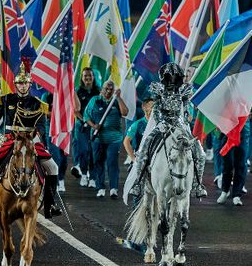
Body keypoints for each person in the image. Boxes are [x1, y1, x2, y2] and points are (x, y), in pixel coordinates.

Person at [0, 62, 62, 219]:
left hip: (30, 141)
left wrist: (34, 139)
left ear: (30, 84)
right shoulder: (6, 100)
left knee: (53, 167)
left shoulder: (38, 104)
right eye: (20, 83)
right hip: (9, 139)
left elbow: (41, 126)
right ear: (15, 85)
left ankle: (51, 205)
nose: (23, 86)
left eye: (25, 83)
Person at [129, 63, 207, 198]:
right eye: (168, 77)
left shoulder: (185, 89)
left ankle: (197, 184)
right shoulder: (158, 89)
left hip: (180, 125)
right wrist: (162, 122)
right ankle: (139, 182)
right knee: (144, 148)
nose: (171, 79)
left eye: (174, 76)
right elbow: (157, 108)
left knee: (199, 151)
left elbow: (186, 107)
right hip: (163, 124)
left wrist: (185, 117)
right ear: (164, 77)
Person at [84, 80, 128, 199]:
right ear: (101, 89)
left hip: (115, 139)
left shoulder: (116, 101)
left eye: (111, 89)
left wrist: (118, 98)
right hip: (98, 138)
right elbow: (86, 116)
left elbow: (125, 112)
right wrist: (94, 126)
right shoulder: (95, 100)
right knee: (98, 162)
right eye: (106, 89)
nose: (108, 91)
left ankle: (113, 188)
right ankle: (101, 187)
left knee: (112, 162)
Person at [72, 67, 100, 187]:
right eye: (85, 76)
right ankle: (84, 174)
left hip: (95, 127)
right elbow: (75, 110)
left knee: (94, 151)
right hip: (81, 125)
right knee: (83, 150)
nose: (88, 78)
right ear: (82, 78)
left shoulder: (98, 92)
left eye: (90, 76)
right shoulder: (77, 91)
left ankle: (93, 177)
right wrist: (84, 120)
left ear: (93, 77)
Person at [216, 124, 250, 206]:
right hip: (227, 133)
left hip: (242, 132)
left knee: (240, 165)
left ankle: (237, 195)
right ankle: (225, 191)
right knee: (227, 164)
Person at [123, 98, 153, 163]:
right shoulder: (137, 124)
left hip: (156, 158)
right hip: (142, 159)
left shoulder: (159, 124)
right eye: (152, 107)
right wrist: (133, 159)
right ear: (144, 108)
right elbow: (126, 142)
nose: (154, 109)